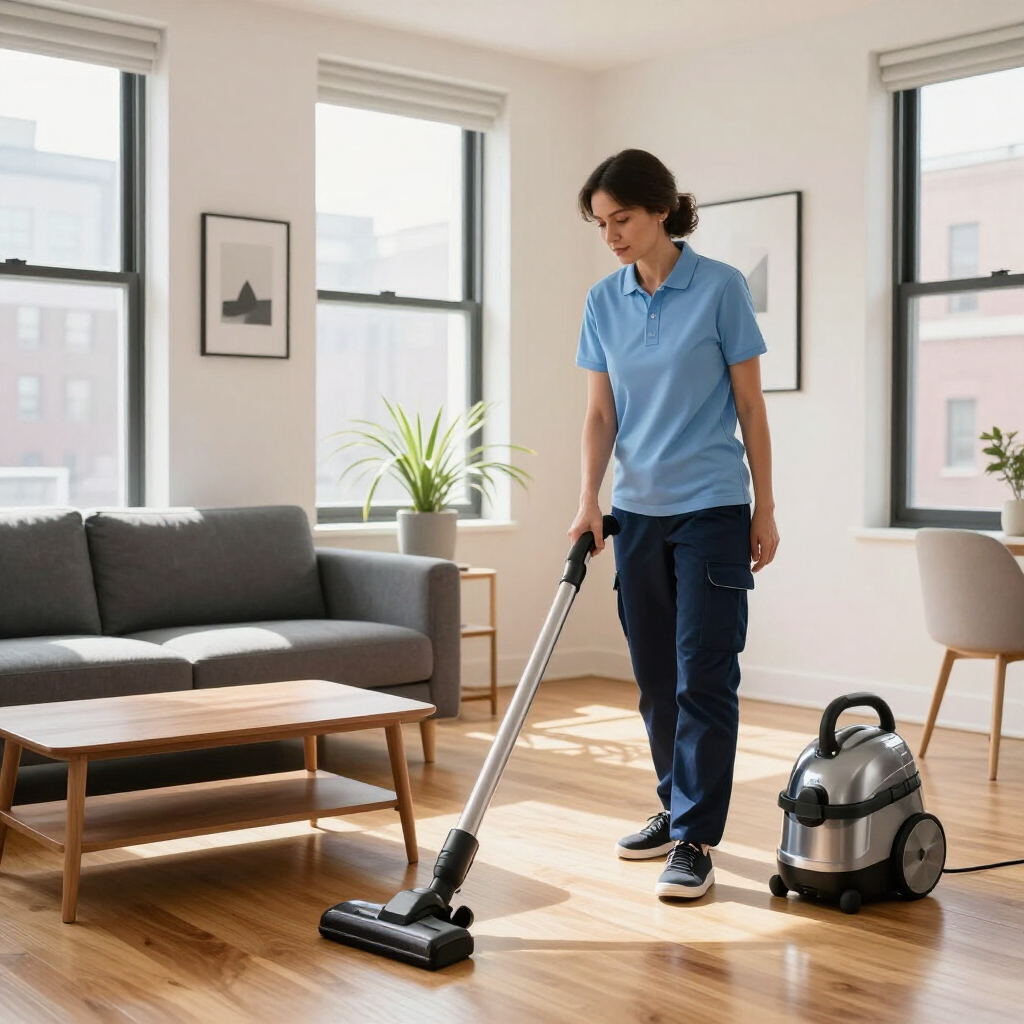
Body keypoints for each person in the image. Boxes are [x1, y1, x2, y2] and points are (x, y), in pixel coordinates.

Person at [569, 149, 779, 900]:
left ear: (661, 209)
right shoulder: (603, 300)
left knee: (704, 673)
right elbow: (600, 413)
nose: (611, 235)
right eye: (601, 224)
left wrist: (766, 505)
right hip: (638, 514)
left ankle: (694, 839)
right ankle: (673, 805)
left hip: (714, 510)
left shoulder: (719, 288)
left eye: (621, 218)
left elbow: (752, 406)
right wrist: (589, 498)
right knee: (658, 679)